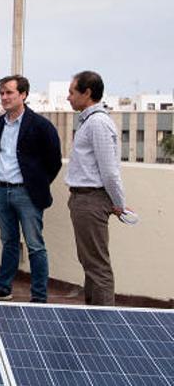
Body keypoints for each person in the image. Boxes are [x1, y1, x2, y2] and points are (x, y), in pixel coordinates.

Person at [0, 75, 62, 303]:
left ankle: (39, 296)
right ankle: (4, 288)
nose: (4, 97)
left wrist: (37, 185)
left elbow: (54, 162)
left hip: (27, 194)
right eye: (2, 93)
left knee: (35, 245)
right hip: (1, 192)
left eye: (9, 93)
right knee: (9, 242)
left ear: (23, 94)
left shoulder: (40, 126)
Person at [65, 70, 127, 306]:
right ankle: (93, 313)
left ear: (87, 93)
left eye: (72, 92)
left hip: (91, 200)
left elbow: (109, 170)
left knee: (97, 266)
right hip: (84, 200)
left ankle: (103, 319)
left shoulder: (98, 123)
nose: (68, 97)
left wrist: (119, 204)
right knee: (90, 262)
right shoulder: (90, 122)